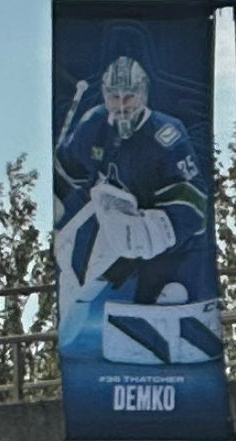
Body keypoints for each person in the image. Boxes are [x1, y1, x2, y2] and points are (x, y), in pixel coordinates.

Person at [51, 52, 220, 359]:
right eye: (114, 97)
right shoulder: (94, 123)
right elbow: (69, 173)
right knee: (74, 278)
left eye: (128, 96)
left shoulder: (166, 134)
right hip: (109, 222)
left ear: (142, 93)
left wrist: (157, 230)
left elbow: (193, 202)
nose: (121, 104)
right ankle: (70, 341)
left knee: (167, 303)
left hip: (160, 239)